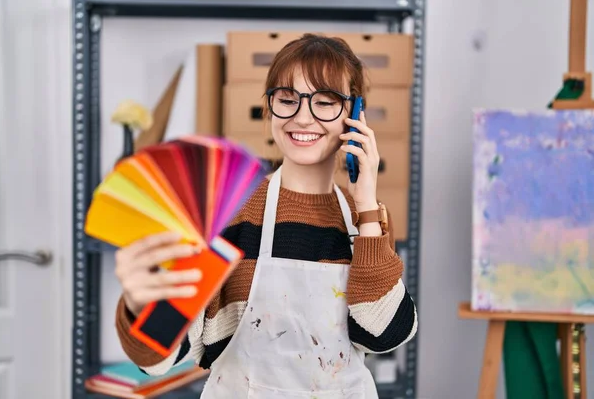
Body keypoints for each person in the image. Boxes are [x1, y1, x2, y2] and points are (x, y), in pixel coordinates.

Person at [114, 33, 418, 398]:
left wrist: (367, 204)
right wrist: (138, 305)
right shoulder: (227, 211)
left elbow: (385, 335)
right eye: (288, 99)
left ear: (354, 115)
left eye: (325, 102)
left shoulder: (365, 219)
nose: (303, 118)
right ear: (270, 107)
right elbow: (163, 357)